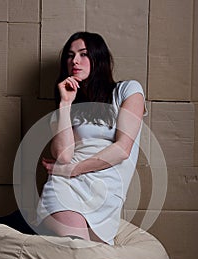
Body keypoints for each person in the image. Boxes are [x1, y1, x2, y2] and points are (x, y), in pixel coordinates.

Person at [37, 31, 147, 245]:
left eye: (83, 54)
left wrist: (73, 169)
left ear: (99, 58)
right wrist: (65, 104)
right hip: (65, 187)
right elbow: (64, 155)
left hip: (106, 193)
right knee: (80, 252)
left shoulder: (127, 91)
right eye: (69, 56)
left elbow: (122, 149)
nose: (74, 61)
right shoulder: (65, 111)